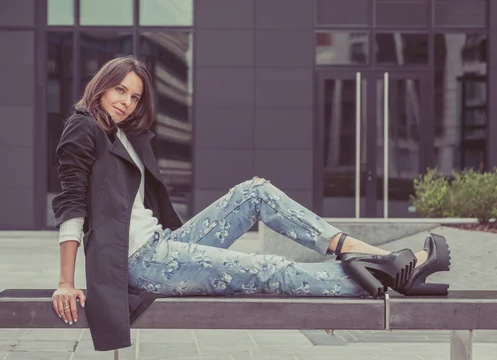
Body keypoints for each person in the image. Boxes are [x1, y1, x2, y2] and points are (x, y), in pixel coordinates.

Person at [51, 56, 451, 352]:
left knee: (253, 192)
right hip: (139, 261)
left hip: (161, 246)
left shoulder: (119, 135)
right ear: (101, 84)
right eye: (120, 89)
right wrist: (66, 281)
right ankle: (391, 272)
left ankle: (371, 255)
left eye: (135, 96)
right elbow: (71, 207)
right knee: (269, 269)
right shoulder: (83, 127)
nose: (126, 101)